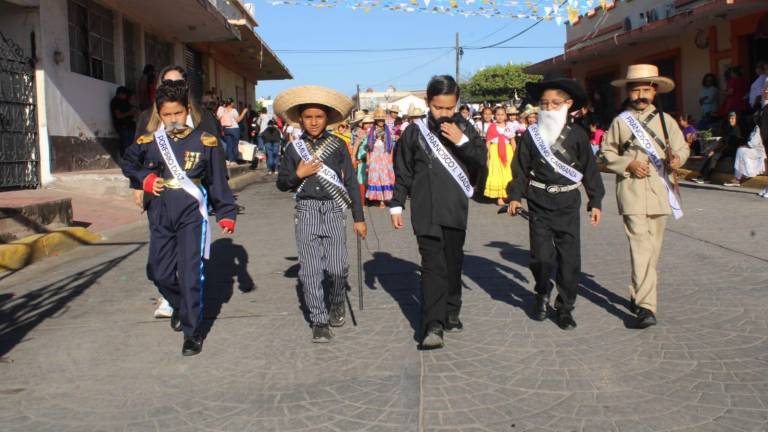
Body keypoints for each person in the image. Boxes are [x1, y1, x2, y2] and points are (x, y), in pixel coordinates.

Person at [122, 81, 238, 356]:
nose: (173, 120)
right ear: (159, 115)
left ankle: (192, 331)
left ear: (187, 110)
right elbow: (129, 164)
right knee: (158, 272)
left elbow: (217, 181)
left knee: (189, 274)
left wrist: (226, 213)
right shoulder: (148, 143)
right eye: (167, 115)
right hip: (160, 211)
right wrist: (145, 179)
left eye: (177, 113)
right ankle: (179, 305)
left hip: (191, 212)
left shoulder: (204, 141)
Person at [389, 75, 486, 349]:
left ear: (457, 104)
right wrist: (397, 203)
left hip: (455, 209)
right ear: (427, 103)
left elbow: (481, 160)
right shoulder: (413, 132)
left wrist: (463, 141)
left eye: (449, 108)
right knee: (432, 265)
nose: (443, 113)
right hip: (425, 210)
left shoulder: (466, 127)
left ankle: (452, 308)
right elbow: (403, 169)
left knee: (453, 264)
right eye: (437, 107)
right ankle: (433, 323)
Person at [507, 76, 604, 330]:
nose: (548, 108)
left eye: (555, 103)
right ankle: (542, 291)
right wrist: (516, 196)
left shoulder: (579, 135)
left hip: (568, 202)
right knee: (540, 258)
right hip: (539, 202)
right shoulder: (531, 135)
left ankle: (565, 306)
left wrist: (595, 200)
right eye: (544, 103)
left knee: (570, 259)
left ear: (568, 104)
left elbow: (590, 170)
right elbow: (519, 169)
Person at [274, 85, 367, 343]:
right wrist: (298, 174)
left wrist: (359, 218)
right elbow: (282, 183)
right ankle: (319, 320)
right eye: (308, 117)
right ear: (300, 119)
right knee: (311, 271)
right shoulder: (293, 149)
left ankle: (337, 300)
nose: (313, 122)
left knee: (338, 268)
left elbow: (350, 184)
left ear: (327, 118)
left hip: (334, 210)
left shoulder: (337, 145)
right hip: (306, 211)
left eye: (319, 116)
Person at [601, 64, 689, 329]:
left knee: (652, 250)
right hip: (631, 189)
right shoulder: (620, 121)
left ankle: (638, 292)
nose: (640, 95)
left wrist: (677, 158)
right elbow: (607, 153)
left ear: (654, 92)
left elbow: (682, 147)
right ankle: (646, 307)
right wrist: (627, 164)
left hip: (660, 190)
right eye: (635, 89)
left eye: (645, 90)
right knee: (640, 246)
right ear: (628, 92)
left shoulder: (666, 120)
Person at [131, 65, 222, 320]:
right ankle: (172, 297)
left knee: (189, 258)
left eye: (177, 82)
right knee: (161, 259)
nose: (171, 86)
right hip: (159, 196)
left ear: (185, 87)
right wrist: (138, 186)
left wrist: (219, 198)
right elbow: (136, 156)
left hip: (191, 199)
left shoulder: (202, 118)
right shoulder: (148, 118)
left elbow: (217, 158)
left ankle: (188, 302)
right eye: (166, 82)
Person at [692, 111, 744, 184]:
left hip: (730, 150)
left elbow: (729, 144)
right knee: (710, 154)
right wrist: (714, 149)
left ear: (736, 119)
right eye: (730, 118)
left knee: (714, 156)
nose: (731, 120)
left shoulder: (736, 130)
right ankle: (702, 175)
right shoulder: (729, 128)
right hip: (724, 149)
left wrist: (715, 151)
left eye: (733, 118)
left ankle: (707, 177)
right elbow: (723, 141)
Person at [484, 105, 516, 206]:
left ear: (505, 115)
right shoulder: (492, 127)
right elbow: (488, 143)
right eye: (498, 115)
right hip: (495, 152)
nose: (500, 117)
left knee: (508, 173)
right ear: (495, 116)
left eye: (502, 114)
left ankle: (506, 194)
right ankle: (499, 196)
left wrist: (516, 155)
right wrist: (488, 157)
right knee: (497, 174)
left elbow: (513, 141)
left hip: (508, 151)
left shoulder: (509, 127)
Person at [365, 107, 396, 207]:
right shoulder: (371, 131)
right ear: (375, 120)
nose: (381, 121)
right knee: (376, 178)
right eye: (379, 120)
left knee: (385, 177)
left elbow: (391, 146)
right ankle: (380, 200)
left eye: (382, 119)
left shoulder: (389, 130)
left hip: (385, 156)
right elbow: (368, 148)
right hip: (374, 156)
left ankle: (386, 198)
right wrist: (368, 160)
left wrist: (391, 158)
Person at [217, 98, 248, 166]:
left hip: (226, 129)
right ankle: (233, 160)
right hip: (234, 129)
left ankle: (229, 160)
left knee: (229, 145)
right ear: (231, 104)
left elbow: (218, 118)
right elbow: (238, 120)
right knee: (235, 145)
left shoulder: (222, 110)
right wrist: (244, 112)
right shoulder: (233, 110)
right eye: (233, 103)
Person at [110, 86, 137, 157]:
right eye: (124, 94)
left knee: (131, 144)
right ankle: (125, 160)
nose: (126, 96)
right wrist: (129, 113)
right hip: (123, 126)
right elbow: (118, 116)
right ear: (120, 94)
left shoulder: (125, 102)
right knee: (125, 145)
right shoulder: (115, 102)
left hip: (130, 126)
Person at [355, 114, 374, 203]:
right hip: (362, 161)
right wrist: (353, 158)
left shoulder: (374, 133)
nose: (369, 125)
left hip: (373, 160)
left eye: (371, 123)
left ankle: (370, 198)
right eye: (366, 123)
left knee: (371, 179)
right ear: (363, 124)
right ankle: (362, 200)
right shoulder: (361, 133)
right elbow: (356, 146)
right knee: (361, 179)